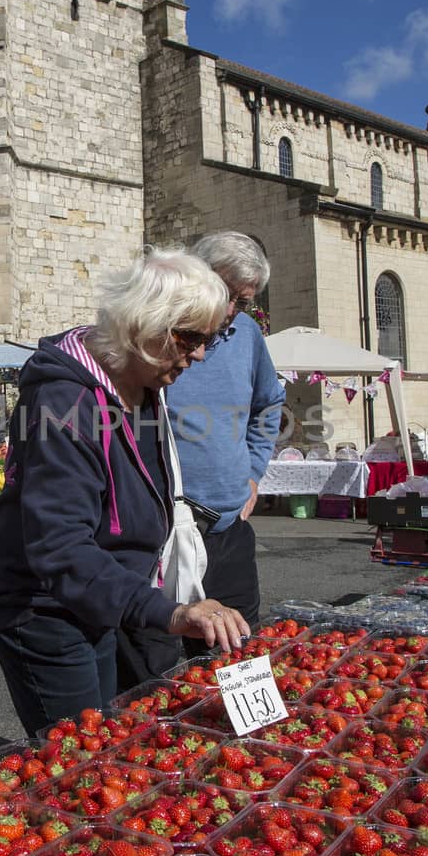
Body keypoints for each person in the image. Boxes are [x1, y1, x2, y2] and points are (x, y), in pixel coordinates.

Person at [0, 249, 250, 737]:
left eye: (211, 338)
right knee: (78, 759)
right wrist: (170, 613)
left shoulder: (143, 386)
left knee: (105, 739)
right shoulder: (66, 404)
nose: (202, 353)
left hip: (98, 597)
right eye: (191, 338)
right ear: (144, 326)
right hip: (42, 607)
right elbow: (61, 548)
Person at [166, 232, 285, 638]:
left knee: (238, 656)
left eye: (244, 300)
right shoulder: (158, 332)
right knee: (160, 676)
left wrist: (253, 472)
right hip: (164, 536)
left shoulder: (248, 334)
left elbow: (269, 404)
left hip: (229, 532)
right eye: (224, 292)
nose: (231, 310)